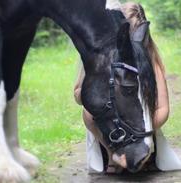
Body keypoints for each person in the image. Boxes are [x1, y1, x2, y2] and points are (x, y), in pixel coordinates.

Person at [74, 2, 181, 173]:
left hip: (140, 127)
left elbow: (163, 108)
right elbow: (78, 94)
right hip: (112, 128)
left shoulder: (150, 60)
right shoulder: (101, 58)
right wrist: (92, 93)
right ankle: (111, 155)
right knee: (88, 113)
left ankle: (144, 152)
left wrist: (140, 131)